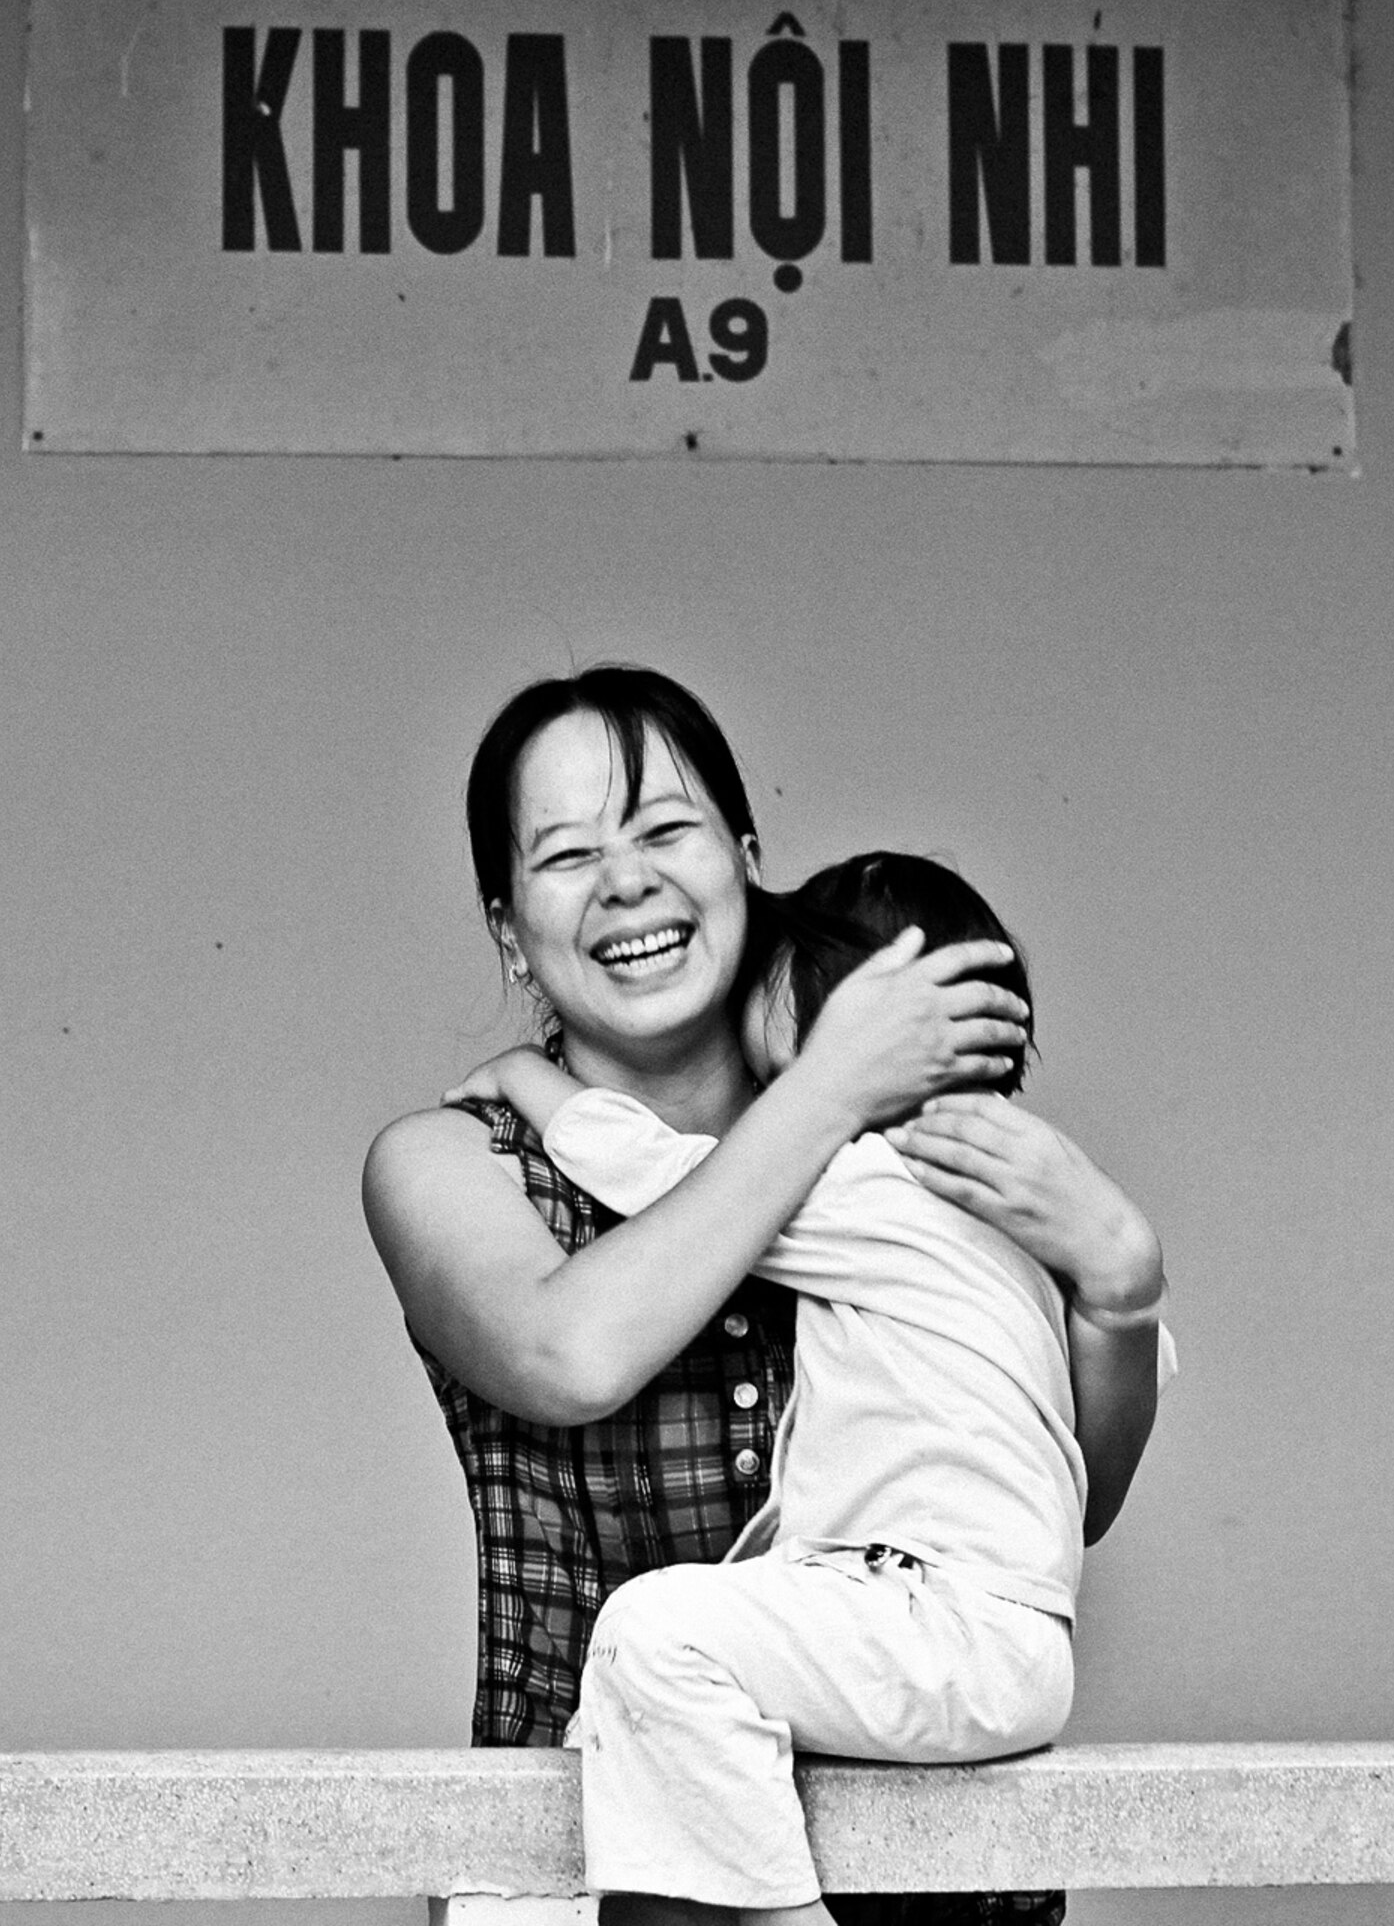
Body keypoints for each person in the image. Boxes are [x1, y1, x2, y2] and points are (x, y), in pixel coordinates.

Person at [362, 666, 1167, 1926]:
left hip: (928, 1868)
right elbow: (570, 1354)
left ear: (746, 861)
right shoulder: (451, 1160)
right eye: (569, 853)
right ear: (511, 927)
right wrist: (828, 1091)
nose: (627, 879)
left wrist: (1117, 1291)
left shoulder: (903, 1145)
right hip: (590, 1879)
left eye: (667, 830)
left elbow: (1070, 1496)